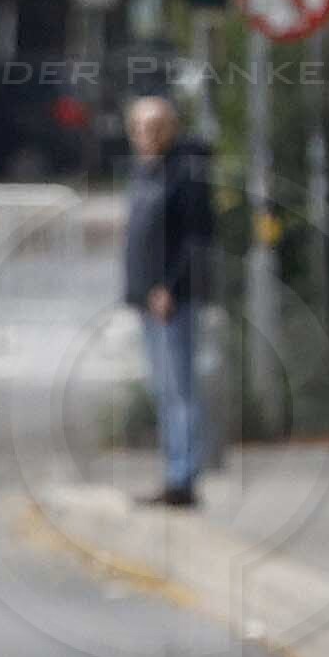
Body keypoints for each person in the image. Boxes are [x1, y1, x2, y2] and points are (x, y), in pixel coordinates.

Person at [120, 94, 217, 509]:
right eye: (141, 127)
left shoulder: (185, 173)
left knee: (180, 389)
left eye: (155, 127)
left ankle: (184, 477)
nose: (147, 135)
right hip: (145, 298)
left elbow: (197, 239)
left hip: (172, 300)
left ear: (171, 129)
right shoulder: (144, 172)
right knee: (163, 390)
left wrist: (170, 287)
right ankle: (172, 471)